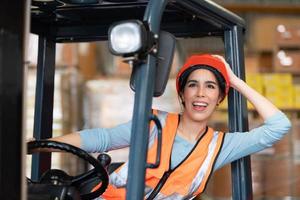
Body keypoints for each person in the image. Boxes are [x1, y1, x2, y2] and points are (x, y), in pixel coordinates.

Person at [47, 54, 291, 199]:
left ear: (219, 98)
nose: (200, 94)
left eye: (211, 87)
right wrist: (41, 146)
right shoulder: (154, 123)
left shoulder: (219, 146)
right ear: (182, 94)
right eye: (193, 85)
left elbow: (279, 126)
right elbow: (100, 138)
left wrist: (235, 80)